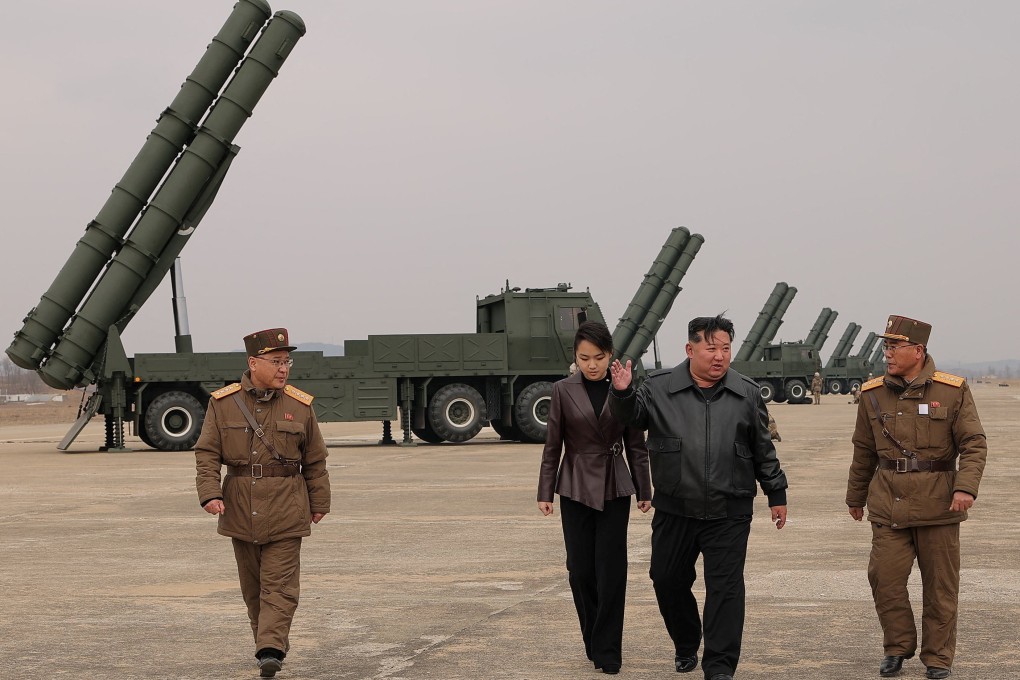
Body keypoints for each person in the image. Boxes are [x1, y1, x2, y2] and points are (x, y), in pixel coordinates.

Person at [609, 315, 788, 680]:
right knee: (666, 579)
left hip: (730, 508)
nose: (720, 356)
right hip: (676, 507)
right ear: (690, 350)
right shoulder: (658, 387)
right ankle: (687, 640)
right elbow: (632, 417)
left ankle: (719, 667)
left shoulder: (747, 392)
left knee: (725, 589)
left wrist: (776, 492)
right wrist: (623, 392)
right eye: (711, 348)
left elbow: (763, 448)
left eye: (725, 348)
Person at [846, 315, 986, 680]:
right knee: (884, 578)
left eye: (895, 347)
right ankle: (897, 647)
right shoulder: (872, 393)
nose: (887, 353)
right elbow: (863, 449)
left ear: (918, 350)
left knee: (940, 587)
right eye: (886, 346)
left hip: (939, 504)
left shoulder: (952, 391)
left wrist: (965, 487)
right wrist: (855, 496)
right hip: (888, 502)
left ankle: (938, 657)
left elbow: (973, 443)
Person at [195, 328, 331, 678]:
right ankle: (269, 641)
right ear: (253, 363)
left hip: (288, 504)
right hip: (240, 505)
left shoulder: (300, 406)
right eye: (276, 362)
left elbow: (315, 460)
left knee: (280, 584)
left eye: (287, 361)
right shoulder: (222, 403)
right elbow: (207, 453)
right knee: (253, 587)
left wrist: (320, 501)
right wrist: (210, 492)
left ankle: (270, 649)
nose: (284, 368)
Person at [538, 321, 652, 675]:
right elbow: (553, 444)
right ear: (575, 356)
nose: (591, 364)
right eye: (584, 357)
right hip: (573, 486)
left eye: (598, 357)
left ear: (610, 356)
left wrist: (644, 489)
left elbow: (636, 444)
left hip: (615, 486)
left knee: (612, 571)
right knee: (580, 571)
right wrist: (545, 491)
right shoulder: (561, 390)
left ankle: (608, 650)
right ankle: (592, 636)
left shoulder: (624, 389)